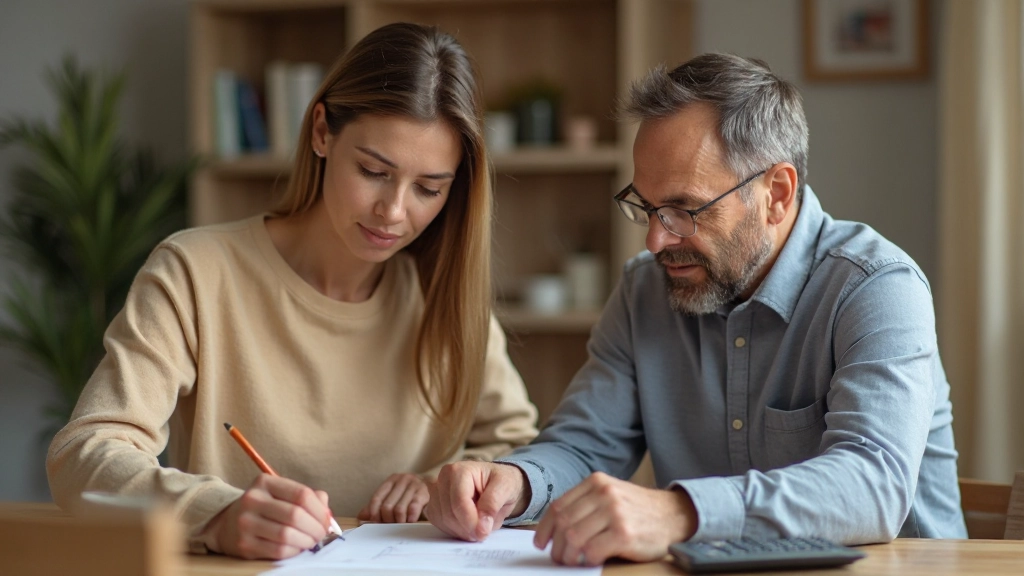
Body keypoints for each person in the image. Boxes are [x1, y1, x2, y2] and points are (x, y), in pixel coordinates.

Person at [426, 52, 967, 566]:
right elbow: (584, 446)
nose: (655, 242)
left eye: (684, 210)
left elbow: (872, 486)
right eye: (646, 206)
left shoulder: (877, 288)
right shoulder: (644, 291)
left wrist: (680, 511)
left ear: (776, 194)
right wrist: (514, 483)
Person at [46, 22, 538, 560]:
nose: (394, 212)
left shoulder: (442, 293)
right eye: (374, 170)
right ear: (322, 131)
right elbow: (85, 453)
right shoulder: (196, 272)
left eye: (428, 188)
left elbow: (521, 450)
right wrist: (216, 513)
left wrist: (442, 482)